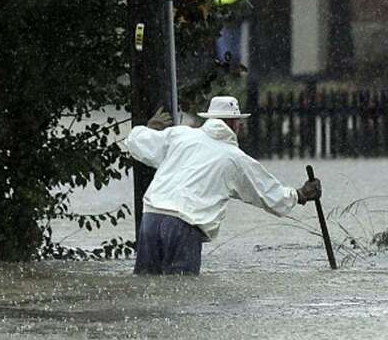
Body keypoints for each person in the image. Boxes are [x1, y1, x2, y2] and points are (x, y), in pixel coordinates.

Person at [125, 95, 322, 275]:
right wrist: (301, 194)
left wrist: (150, 128)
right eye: (239, 122)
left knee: (146, 285)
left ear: (210, 118)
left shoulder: (180, 136)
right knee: (183, 293)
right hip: (184, 225)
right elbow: (269, 194)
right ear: (234, 123)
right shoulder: (234, 158)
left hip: (151, 219)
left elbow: (135, 141)